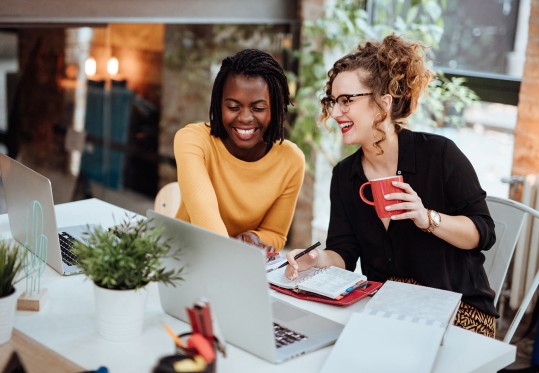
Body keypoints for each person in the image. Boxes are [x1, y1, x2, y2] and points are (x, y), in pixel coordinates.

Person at [285, 34, 498, 337]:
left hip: (458, 309)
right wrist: (315, 261)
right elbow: (344, 254)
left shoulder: (439, 155)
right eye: (333, 102)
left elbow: (484, 234)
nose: (335, 113)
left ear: (382, 103)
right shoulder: (346, 176)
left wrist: (427, 218)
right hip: (389, 307)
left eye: (346, 101)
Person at [174, 49, 305, 255]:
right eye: (233, 107)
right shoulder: (193, 140)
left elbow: (274, 233)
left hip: (240, 263)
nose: (244, 118)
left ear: (276, 108)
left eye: (258, 108)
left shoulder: (291, 160)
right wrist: (233, 249)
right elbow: (204, 213)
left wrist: (251, 239)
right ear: (219, 105)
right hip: (185, 256)